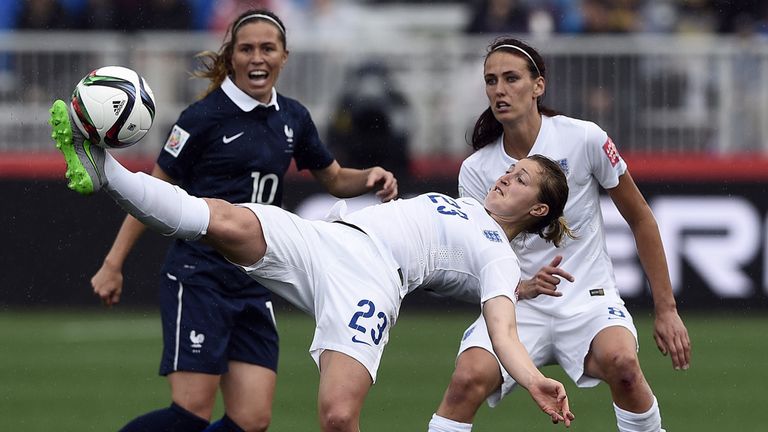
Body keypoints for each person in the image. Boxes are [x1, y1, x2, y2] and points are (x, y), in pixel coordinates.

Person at [49, 99, 575, 431]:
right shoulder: (467, 208)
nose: (508, 176)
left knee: (339, 416)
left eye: (523, 179)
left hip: (368, 285)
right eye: (514, 168)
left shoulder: (498, 257)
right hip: (328, 239)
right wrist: (523, 288)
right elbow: (454, 274)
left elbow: (502, 331)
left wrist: (532, 379)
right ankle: (106, 170)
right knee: (226, 221)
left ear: (538, 209)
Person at [86, 9, 398, 432]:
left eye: (267, 49)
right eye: (246, 49)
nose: (257, 58)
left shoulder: (293, 118)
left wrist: (369, 177)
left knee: (252, 420)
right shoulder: (203, 118)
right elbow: (154, 193)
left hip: (255, 280)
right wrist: (113, 262)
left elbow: (336, 177)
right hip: (200, 276)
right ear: (230, 56)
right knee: (189, 414)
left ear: (284, 56)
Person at [427, 38, 692, 432]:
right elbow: (476, 254)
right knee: (466, 381)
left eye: (512, 78)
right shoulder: (476, 169)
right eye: (491, 80)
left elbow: (641, 218)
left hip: (587, 297)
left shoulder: (584, 138)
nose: (499, 90)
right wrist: (520, 286)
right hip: (517, 304)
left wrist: (666, 309)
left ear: (538, 86)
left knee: (624, 365)